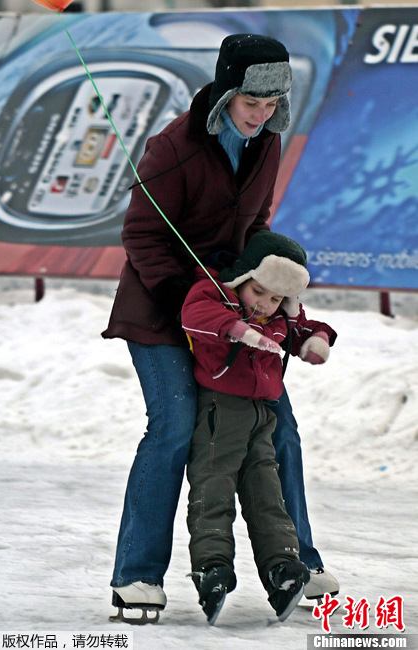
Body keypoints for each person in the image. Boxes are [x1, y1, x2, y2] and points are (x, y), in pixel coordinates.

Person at [102, 33, 338, 622]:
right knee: (175, 425)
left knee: (278, 424)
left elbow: (255, 222)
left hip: (236, 312)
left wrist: (267, 283)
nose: (260, 115)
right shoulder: (171, 148)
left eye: (270, 104)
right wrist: (188, 304)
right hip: (161, 313)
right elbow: (141, 236)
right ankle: (137, 576)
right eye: (251, 103)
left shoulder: (268, 141)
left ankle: (299, 561)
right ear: (226, 93)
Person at [182, 230, 337, 624]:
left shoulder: (276, 315)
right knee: (214, 487)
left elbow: (302, 327)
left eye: (275, 299)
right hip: (221, 411)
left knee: (267, 492)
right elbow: (195, 315)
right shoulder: (216, 295)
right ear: (243, 277)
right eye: (258, 292)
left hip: (261, 415)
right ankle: (212, 567)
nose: (265, 305)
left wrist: (316, 340)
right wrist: (238, 329)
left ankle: (281, 568)